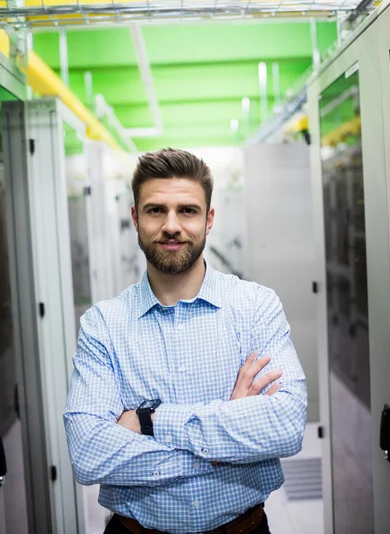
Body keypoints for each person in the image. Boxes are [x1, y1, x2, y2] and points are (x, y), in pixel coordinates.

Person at [64, 148, 307, 534]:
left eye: (188, 210)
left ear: (209, 219)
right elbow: (89, 456)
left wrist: (149, 421)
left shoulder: (255, 307)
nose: (172, 225)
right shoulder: (102, 326)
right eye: (156, 210)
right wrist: (230, 439)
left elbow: (286, 427)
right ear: (135, 218)